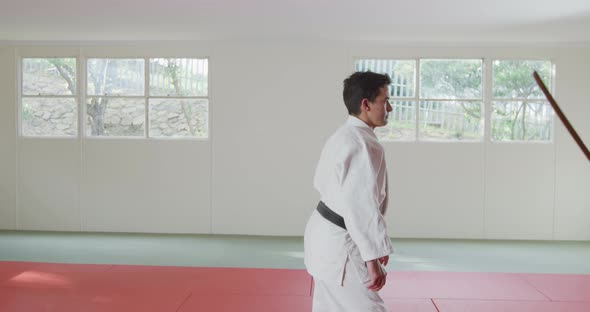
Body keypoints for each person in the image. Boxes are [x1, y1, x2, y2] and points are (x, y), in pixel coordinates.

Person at [304, 71, 394, 311]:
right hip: (343, 245)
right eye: (385, 100)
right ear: (366, 104)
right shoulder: (364, 143)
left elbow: (322, 183)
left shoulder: (342, 136)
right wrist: (371, 255)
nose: (390, 107)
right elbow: (360, 205)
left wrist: (376, 243)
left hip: (324, 237)